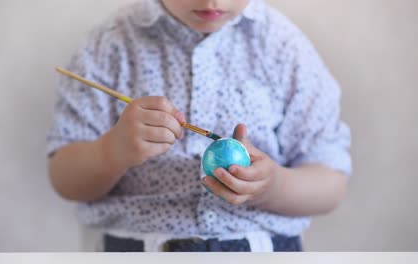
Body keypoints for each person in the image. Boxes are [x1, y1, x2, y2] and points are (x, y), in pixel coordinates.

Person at [47, 0, 352, 252]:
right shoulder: (109, 45)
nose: (212, 1)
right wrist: (113, 151)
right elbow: (65, 179)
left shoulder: (284, 48)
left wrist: (272, 187)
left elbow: (330, 185)